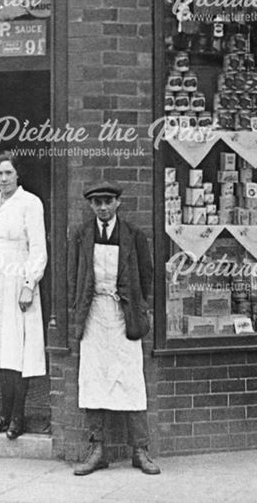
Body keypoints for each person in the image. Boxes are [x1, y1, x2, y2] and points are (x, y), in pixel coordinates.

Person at [68, 180, 161, 476]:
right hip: (94, 313)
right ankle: (96, 450)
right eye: (98, 203)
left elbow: (146, 277)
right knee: (93, 379)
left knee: (131, 379)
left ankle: (140, 450)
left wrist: (137, 307)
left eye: (108, 201)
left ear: (118, 203)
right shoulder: (82, 235)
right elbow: (73, 277)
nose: (103, 207)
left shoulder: (134, 236)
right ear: (91, 206)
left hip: (124, 316)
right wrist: (78, 309)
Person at [0, 152, 47, 440]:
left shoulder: (30, 204)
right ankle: (2, 414)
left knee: (18, 351)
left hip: (18, 281)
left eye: (8, 173)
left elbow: (38, 248)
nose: (4, 179)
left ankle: (18, 416)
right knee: (0, 351)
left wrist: (29, 283)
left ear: (18, 175)